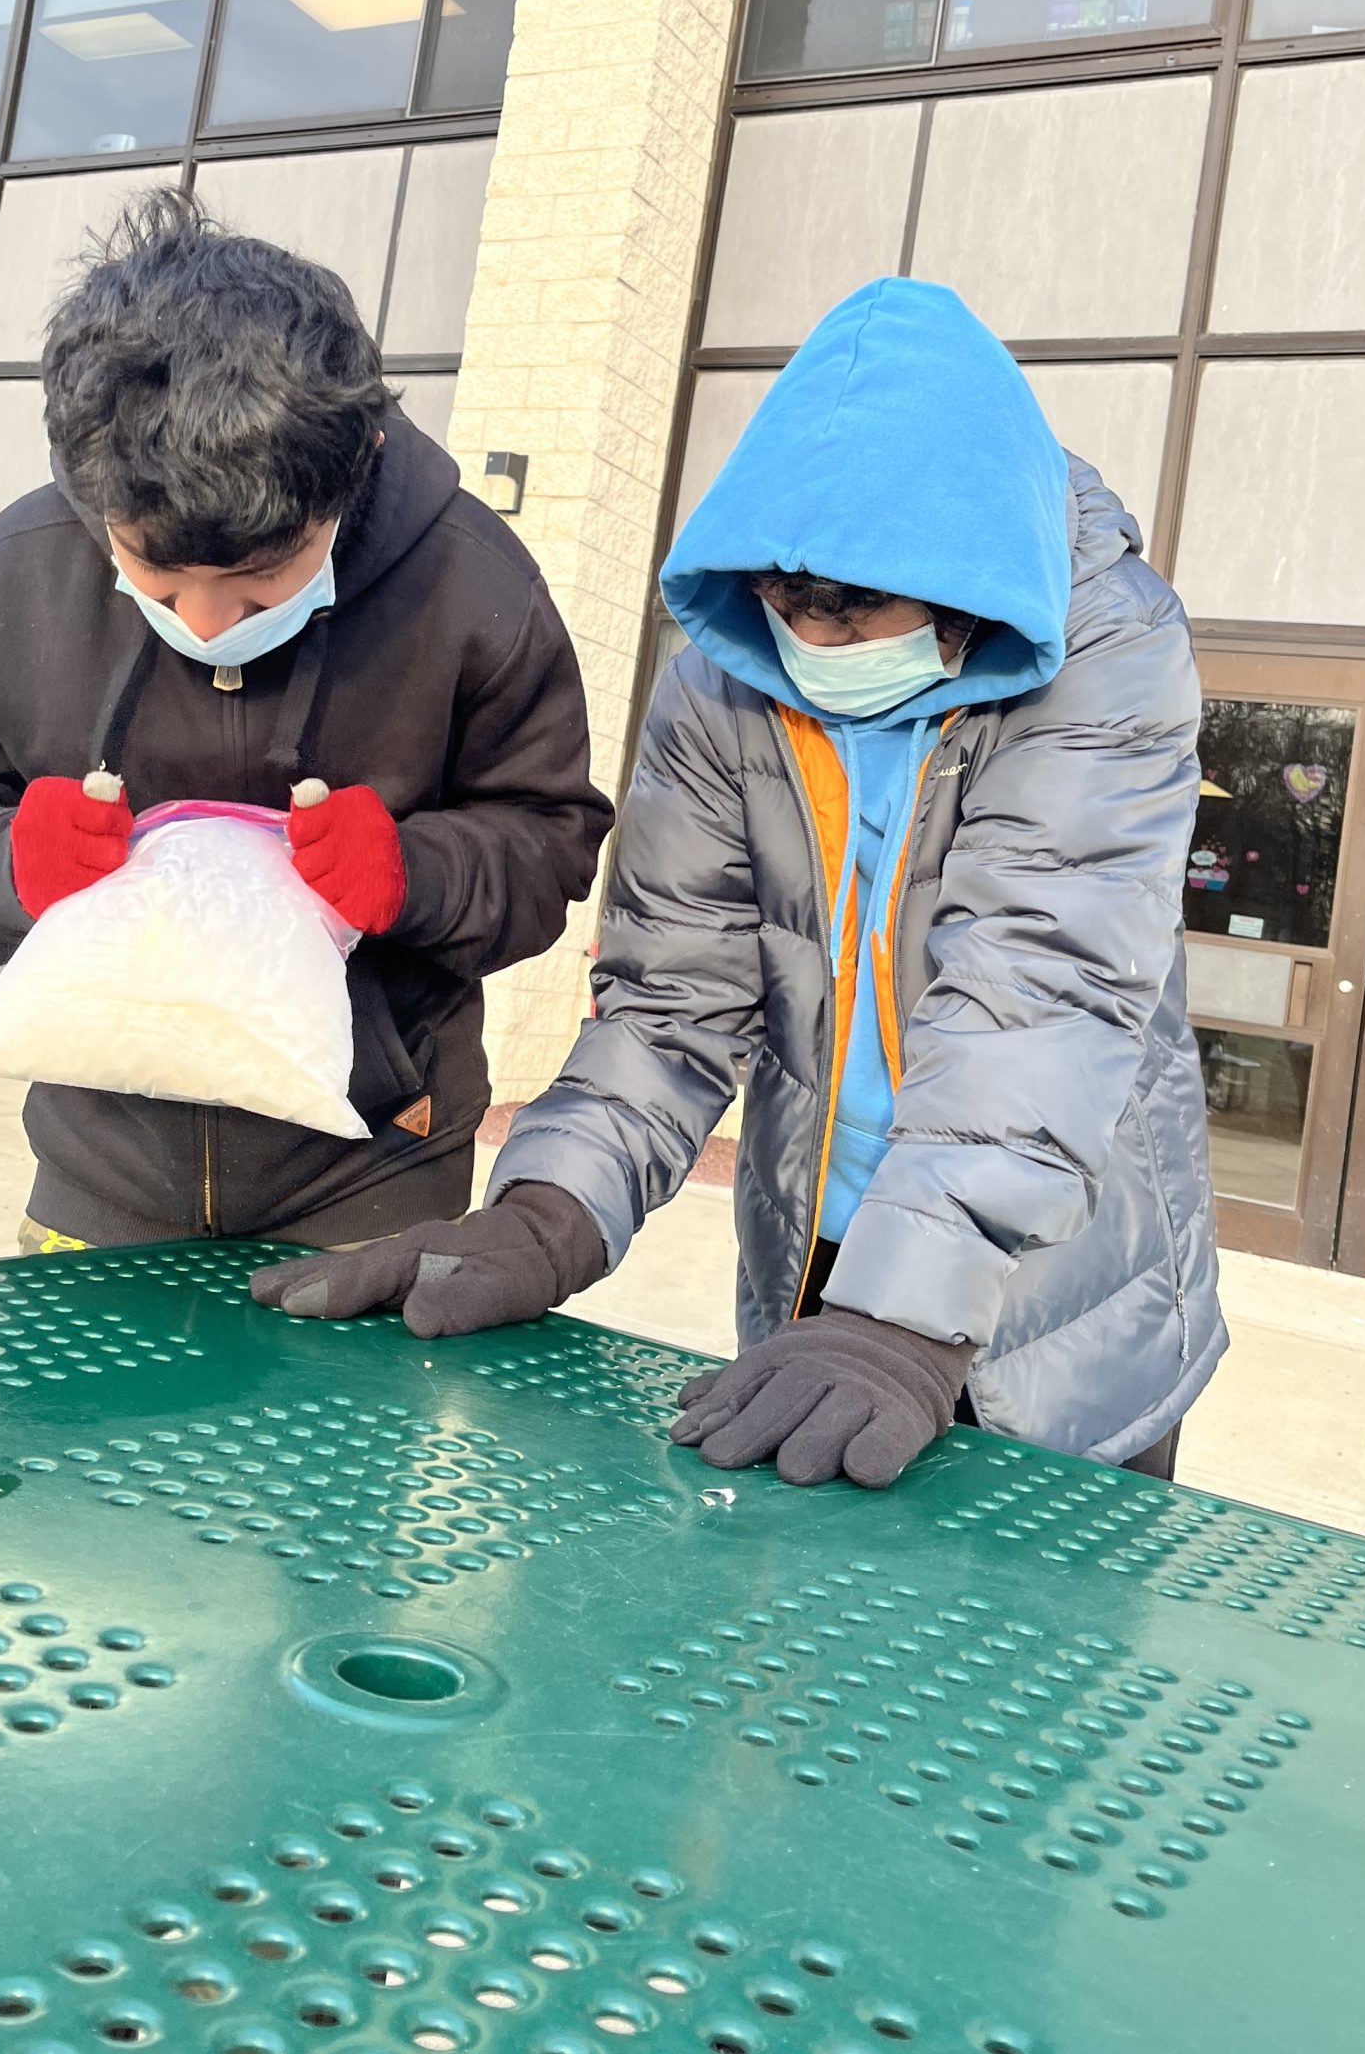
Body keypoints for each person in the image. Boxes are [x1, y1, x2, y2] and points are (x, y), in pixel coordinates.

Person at [251, 277, 1225, 1487]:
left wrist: (904, 1323)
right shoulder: (727, 672)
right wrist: (550, 1209)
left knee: (1035, 1661)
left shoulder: (1108, 652)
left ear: (966, 574)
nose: (813, 652)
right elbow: (674, 994)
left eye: (859, 616)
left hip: (1064, 1303)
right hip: (824, 1274)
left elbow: (1042, 991)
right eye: (785, 609)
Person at [0, 194, 612, 1251]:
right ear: (94, 491)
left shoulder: (474, 591)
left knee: (338, 1426)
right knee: (61, 1421)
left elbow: (550, 840)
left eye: (257, 582)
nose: (206, 620)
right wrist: (3, 865)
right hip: (96, 1165)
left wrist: (413, 874)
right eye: (159, 576)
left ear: (353, 469)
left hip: (378, 1165)